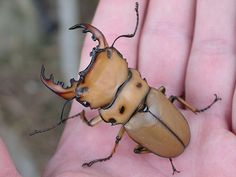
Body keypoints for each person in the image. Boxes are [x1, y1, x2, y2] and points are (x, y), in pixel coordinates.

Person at [1, 0, 236, 176]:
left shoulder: (125, 122)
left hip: (164, 136)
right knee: (170, 95)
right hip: (169, 131)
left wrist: (86, 119)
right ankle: (196, 110)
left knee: (142, 131)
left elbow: (92, 121)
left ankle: (116, 153)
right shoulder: (155, 93)